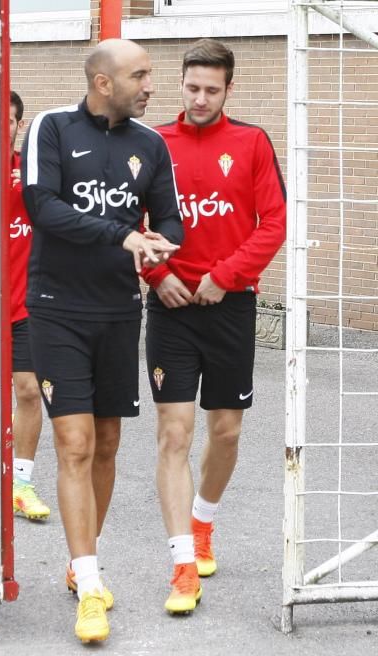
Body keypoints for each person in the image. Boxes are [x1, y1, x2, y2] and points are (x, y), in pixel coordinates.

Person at [21, 39, 182, 643]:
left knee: (109, 443)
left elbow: (169, 220)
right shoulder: (52, 129)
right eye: (140, 74)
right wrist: (121, 236)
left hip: (119, 310)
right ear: (103, 82)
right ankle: (91, 585)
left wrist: (163, 243)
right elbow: (43, 208)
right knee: (76, 442)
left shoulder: (151, 143)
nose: (150, 85)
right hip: (57, 309)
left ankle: (78, 558)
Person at [142, 39, 286, 615]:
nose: (200, 99)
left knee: (224, 430)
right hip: (171, 307)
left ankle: (203, 524)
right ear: (181, 83)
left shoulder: (250, 143)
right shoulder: (152, 143)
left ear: (229, 89)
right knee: (173, 435)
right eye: (191, 87)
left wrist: (226, 276)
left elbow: (272, 222)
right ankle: (182, 565)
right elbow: (131, 222)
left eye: (212, 90)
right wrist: (158, 277)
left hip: (229, 306)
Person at [0, 92, 51, 522]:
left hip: (25, 304)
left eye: (11, 121)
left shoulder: (31, 175)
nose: (3, 127)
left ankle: (19, 482)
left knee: (28, 391)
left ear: (20, 127)